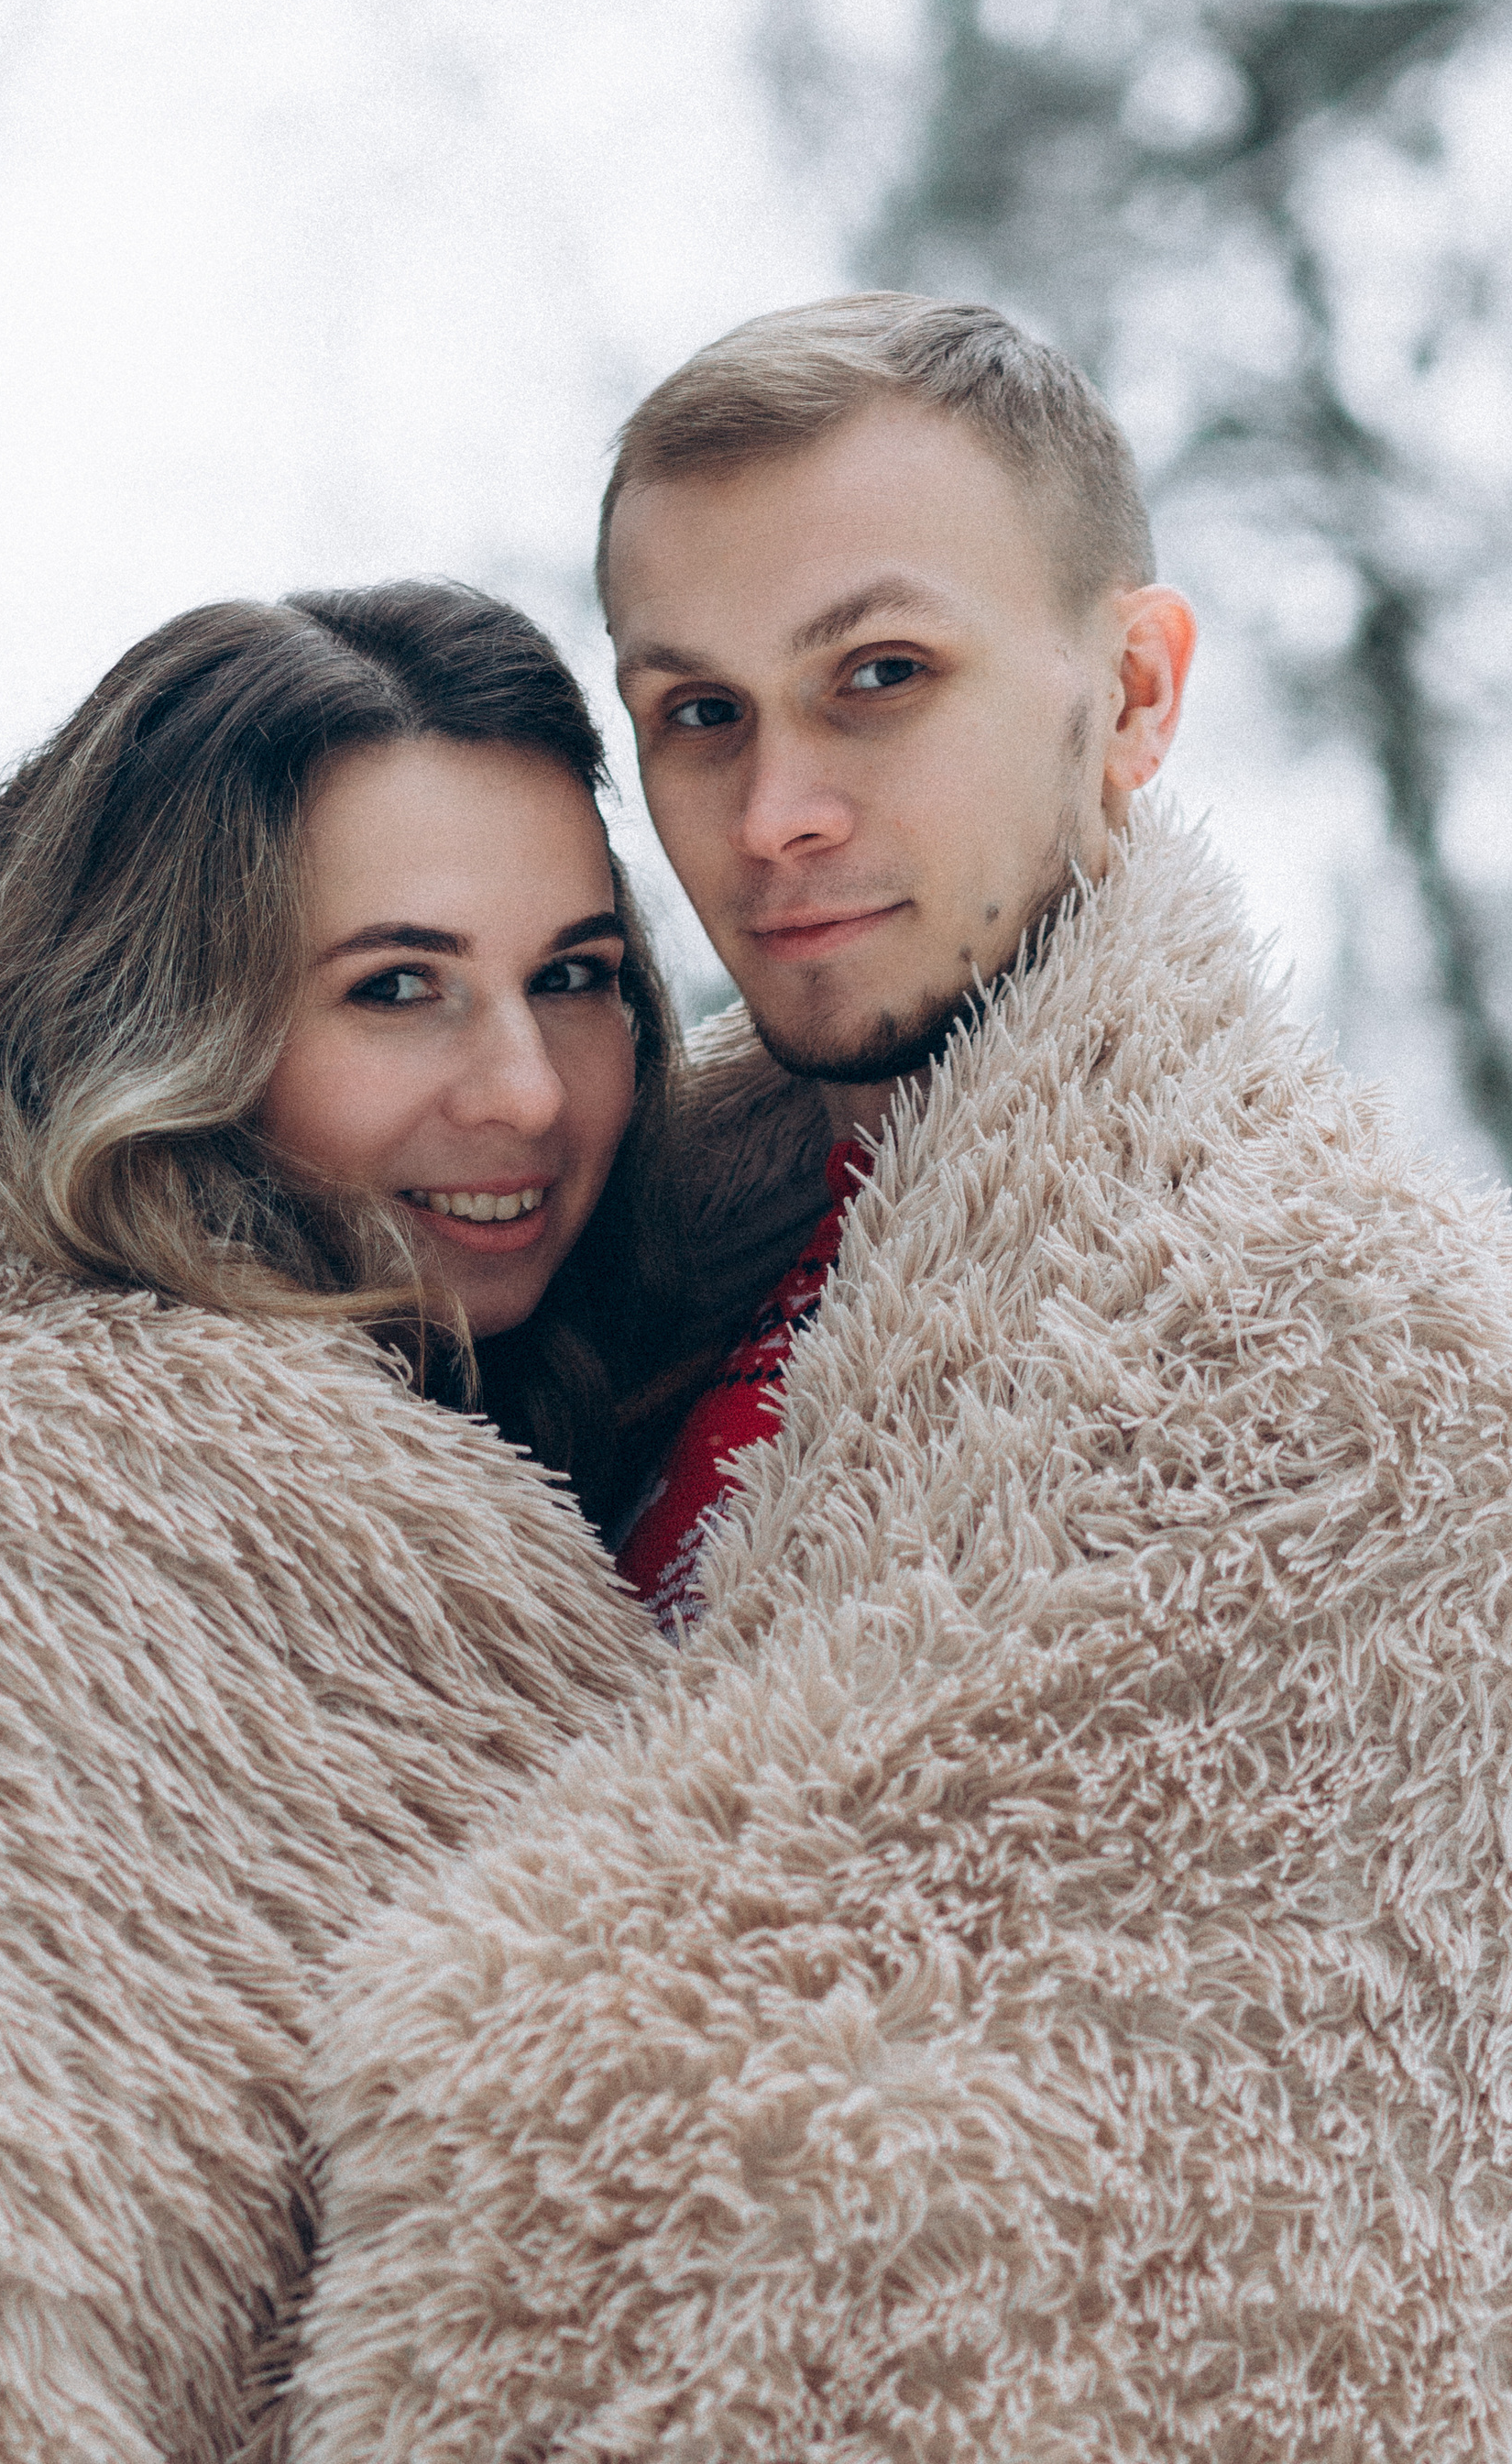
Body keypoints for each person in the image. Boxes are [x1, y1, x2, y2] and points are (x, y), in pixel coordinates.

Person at [268, 297, 1512, 2460]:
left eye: (877, 678)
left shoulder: (1367, 1379)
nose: (775, 813)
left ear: (1128, 692)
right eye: (692, 714)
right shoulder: (571, 1314)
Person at [0, 582, 676, 2464]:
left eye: (572, 974)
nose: (523, 1088)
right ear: (180, 1030)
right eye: (395, 985)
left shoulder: (590, 1430)